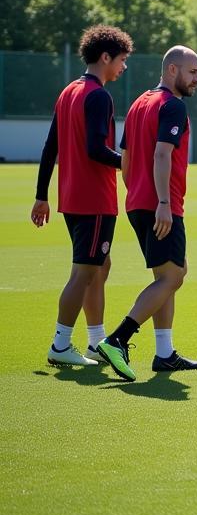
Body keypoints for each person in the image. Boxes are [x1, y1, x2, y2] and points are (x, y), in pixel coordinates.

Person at [97, 46, 197, 381]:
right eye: (192, 72)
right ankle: (117, 339)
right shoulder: (172, 106)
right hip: (161, 204)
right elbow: (161, 155)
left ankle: (164, 353)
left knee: (169, 275)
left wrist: (138, 193)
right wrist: (162, 203)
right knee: (173, 277)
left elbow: (124, 158)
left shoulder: (139, 102)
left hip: (140, 202)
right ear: (172, 70)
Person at [31, 25, 133, 367]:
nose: (123, 67)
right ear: (105, 57)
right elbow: (95, 150)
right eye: (121, 60)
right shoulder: (98, 95)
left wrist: (41, 194)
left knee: (100, 266)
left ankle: (95, 342)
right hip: (94, 200)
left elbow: (50, 147)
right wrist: (131, 164)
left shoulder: (68, 92)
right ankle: (61, 344)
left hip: (72, 198)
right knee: (85, 272)